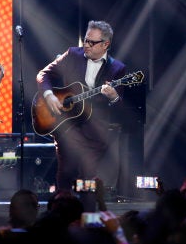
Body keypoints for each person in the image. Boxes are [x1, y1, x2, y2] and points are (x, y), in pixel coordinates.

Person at [36, 20, 127, 210]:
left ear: (105, 44)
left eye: (92, 42)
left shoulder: (117, 69)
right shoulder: (72, 54)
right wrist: (49, 95)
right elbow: (43, 74)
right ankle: (61, 218)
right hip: (67, 129)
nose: (86, 45)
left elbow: (121, 108)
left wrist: (114, 97)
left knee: (88, 181)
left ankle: (88, 221)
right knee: (66, 173)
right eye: (86, 40)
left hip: (94, 134)